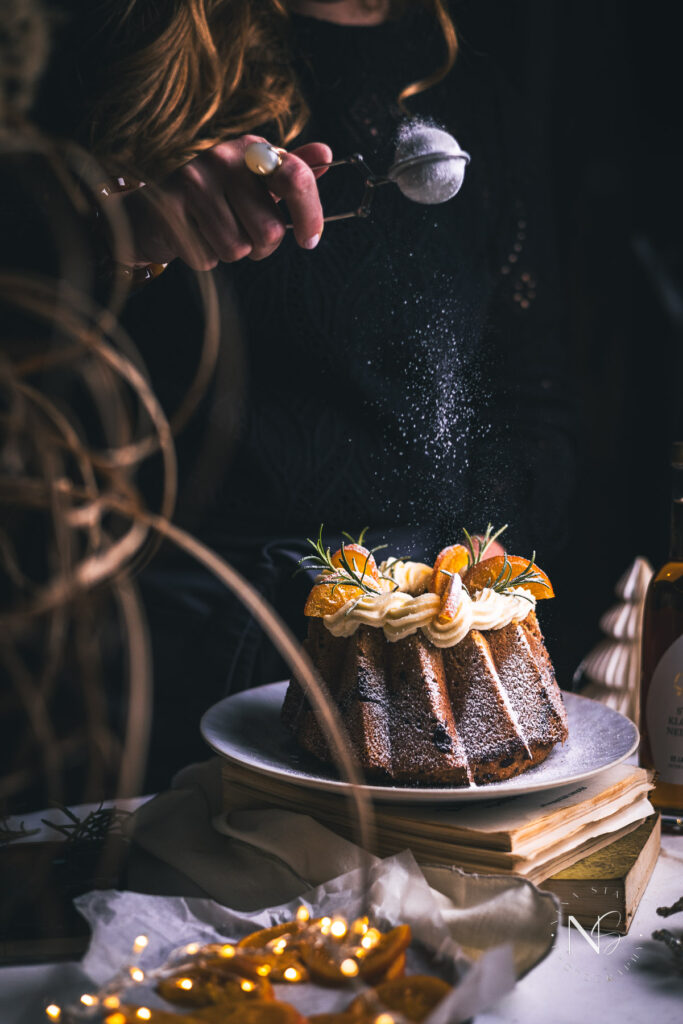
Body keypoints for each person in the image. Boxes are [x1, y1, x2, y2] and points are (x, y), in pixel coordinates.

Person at [34, 0, 576, 784]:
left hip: (419, 653)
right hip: (167, 632)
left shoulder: (474, 94)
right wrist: (129, 226)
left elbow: (530, 396)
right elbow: (30, 308)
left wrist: (486, 559)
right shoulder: (133, 46)